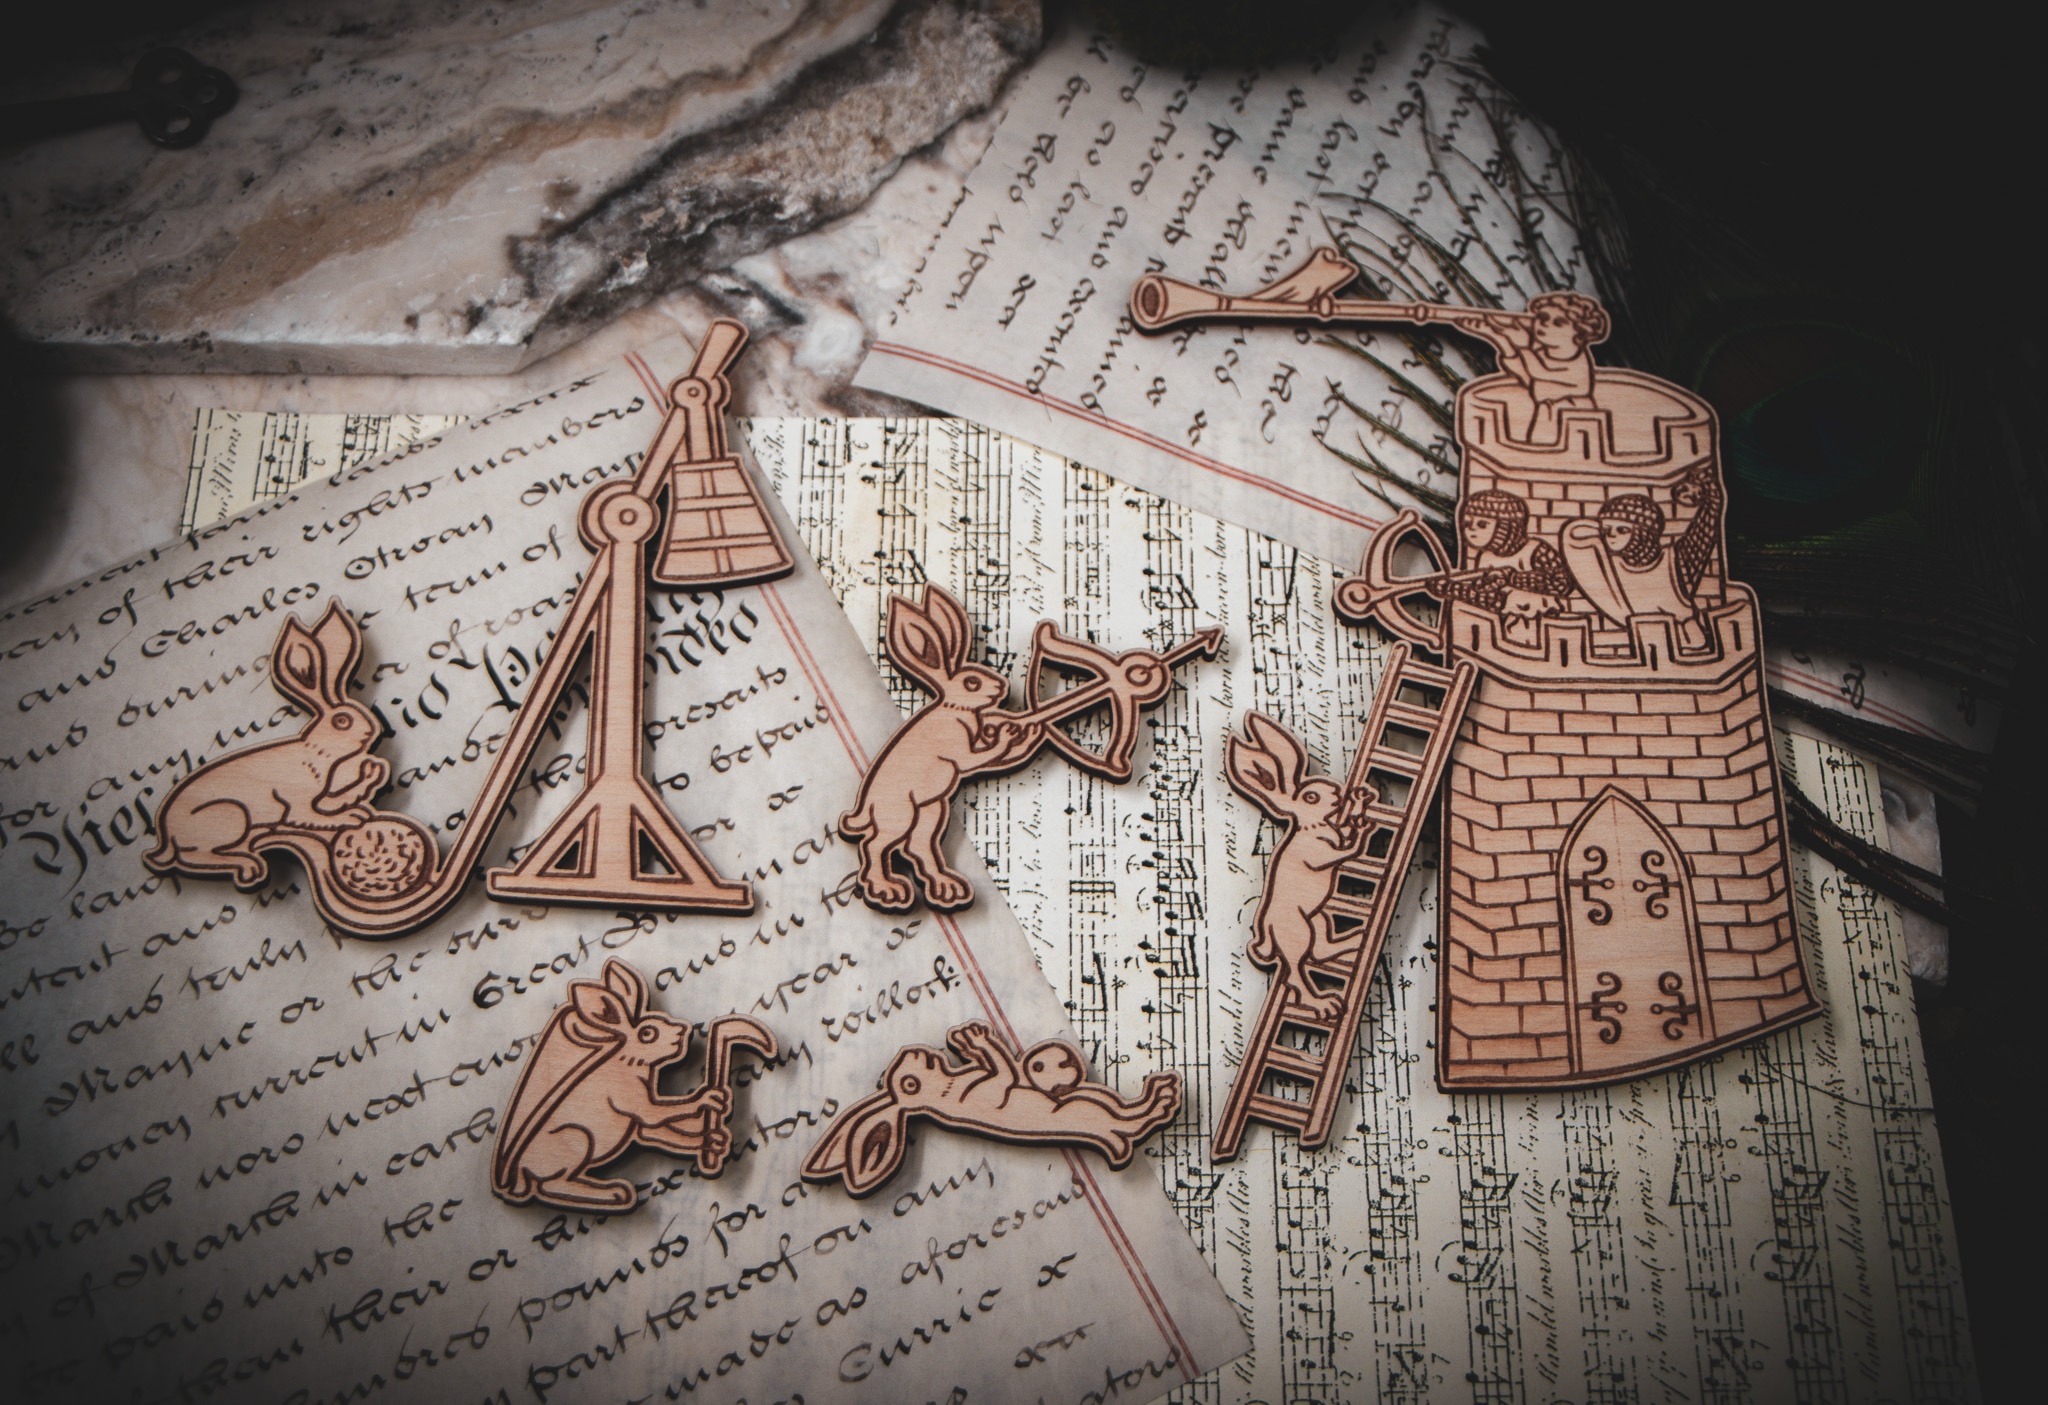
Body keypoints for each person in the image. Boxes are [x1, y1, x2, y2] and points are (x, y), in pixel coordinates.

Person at [1560, 464, 1722, 651]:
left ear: (1644, 532)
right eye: (1606, 529)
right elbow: (1574, 541)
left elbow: (1706, 527)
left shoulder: (1676, 561)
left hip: (1686, 645)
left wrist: (1703, 485)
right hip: (1637, 646)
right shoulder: (1607, 567)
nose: (1611, 535)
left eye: (1622, 529)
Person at [1442, 291, 1610, 442]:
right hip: (1546, 417)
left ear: (1580, 333)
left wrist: (1523, 347)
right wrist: (1499, 338)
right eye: (1542, 318)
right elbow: (1525, 376)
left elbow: (1539, 372)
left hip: (1574, 422)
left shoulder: (1578, 360)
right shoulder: (1542, 352)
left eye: (1558, 323)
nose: (1545, 325)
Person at [1430, 489, 1572, 645]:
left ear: (1506, 526)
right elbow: (1485, 591)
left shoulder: (1535, 550)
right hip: (1501, 625)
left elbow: (1561, 582)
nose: (1471, 529)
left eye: (1482, 524)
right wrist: (1456, 589)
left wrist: (1513, 578)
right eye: (1467, 524)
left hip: (1537, 623)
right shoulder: (1485, 557)